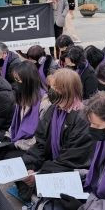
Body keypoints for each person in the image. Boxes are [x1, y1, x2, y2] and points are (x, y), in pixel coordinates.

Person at [20, 69, 95, 199]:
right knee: (22, 168)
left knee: (40, 182)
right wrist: (31, 166)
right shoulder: (53, 110)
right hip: (54, 162)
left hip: (71, 167)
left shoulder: (83, 118)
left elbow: (72, 158)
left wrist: (40, 173)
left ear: (68, 90)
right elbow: (40, 144)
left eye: (56, 88)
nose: (52, 91)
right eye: (51, 87)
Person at [0, 61, 51, 162]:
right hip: (18, 140)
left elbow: (41, 138)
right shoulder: (22, 97)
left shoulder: (44, 102)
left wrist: (16, 144)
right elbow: (14, 125)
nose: (16, 83)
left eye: (18, 80)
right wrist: (8, 138)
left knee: (4, 159)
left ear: (28, 81)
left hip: (31, 147)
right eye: (15, 79)